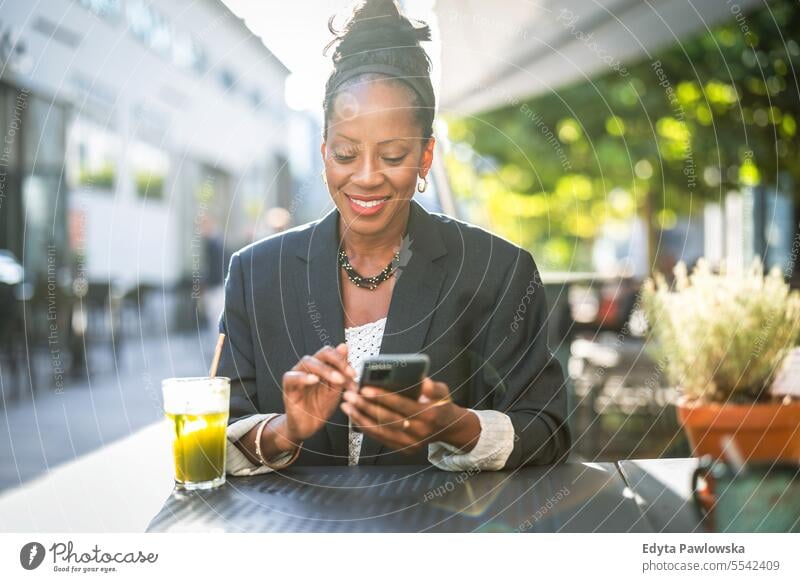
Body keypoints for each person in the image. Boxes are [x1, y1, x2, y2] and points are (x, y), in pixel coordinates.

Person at [219, 0, 571, 475]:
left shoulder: (497, 271)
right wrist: (284, 429)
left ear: (426, 157)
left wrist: (455, 426)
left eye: (392, 155)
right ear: (324, 152)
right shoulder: (255, 274)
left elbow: (549, 430)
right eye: (345, 154)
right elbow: (212, 438)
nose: (365, 177)